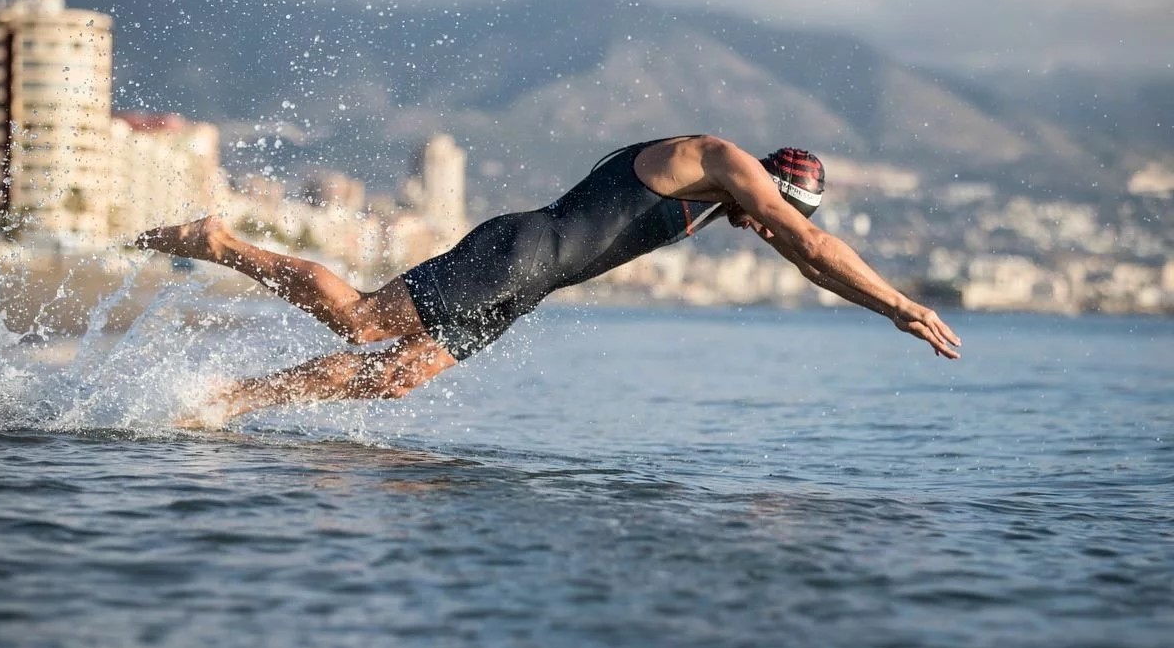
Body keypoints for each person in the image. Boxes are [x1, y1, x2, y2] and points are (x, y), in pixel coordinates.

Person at [137, 134, 961, 425]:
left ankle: (233, 400)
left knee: (393, 381)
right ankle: (221, 242)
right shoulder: (714, 158)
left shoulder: (725, 200)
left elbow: (811, 259)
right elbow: (814, 248)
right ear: (769, 186)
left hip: (528, 286)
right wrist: (899, 304)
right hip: (519, 252)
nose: (763, 227)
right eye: (773, 211)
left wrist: (878, 307)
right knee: (359, 321)